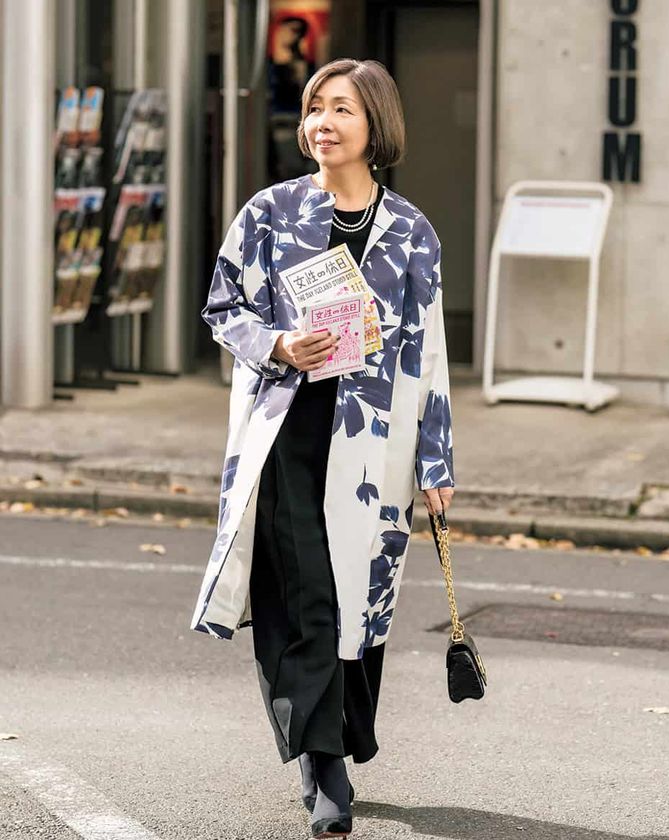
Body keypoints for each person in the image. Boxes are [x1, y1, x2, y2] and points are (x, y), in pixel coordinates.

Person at [191, 58, 455, 839]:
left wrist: (437, 461)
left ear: (376, 123)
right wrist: (278, 344)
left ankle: (342, 731)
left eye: (342, 108)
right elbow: (223, 306)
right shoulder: (271, 212)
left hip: (375, 444)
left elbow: (429, 350)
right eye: (314, 108)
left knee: (356, 596)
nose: (323, 123)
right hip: (286, 430)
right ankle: (323, 761)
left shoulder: (412, 232)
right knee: (303, 592)